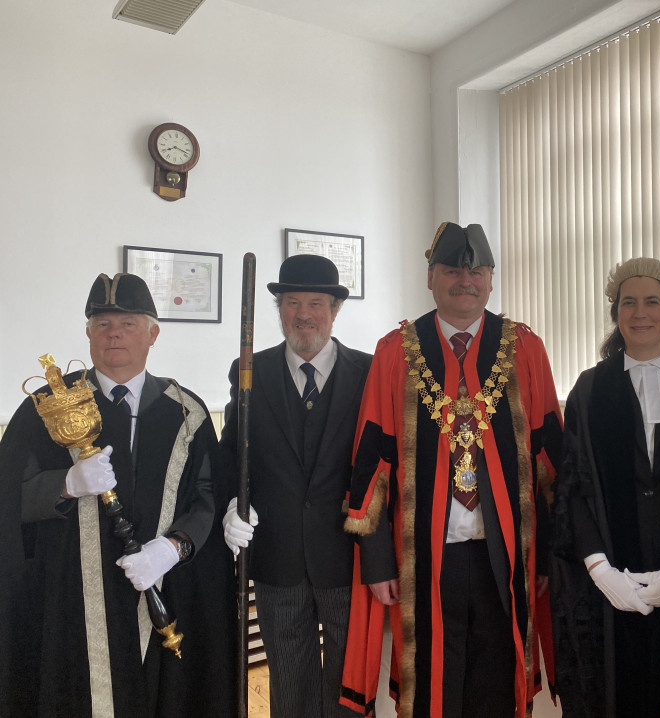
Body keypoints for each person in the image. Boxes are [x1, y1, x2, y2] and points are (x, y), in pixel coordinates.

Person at [340, 222, 563, 718]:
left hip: (506, 554)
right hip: (421, 553)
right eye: (452, 270)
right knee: (433, 679)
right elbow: (372, 459)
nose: (465, 279)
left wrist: (545, 556)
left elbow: (550, 462)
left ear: (490, 279)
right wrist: (377, 562)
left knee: (497, 676)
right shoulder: (396, 350)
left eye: (476, 270)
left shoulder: (524, 348)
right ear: (431, 277)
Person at [0, 272, 236, 717]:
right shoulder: (47, 407)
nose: (114, 334)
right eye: (102, 323)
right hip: (70, 599)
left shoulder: (187, 412)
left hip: (166, 588)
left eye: (128, 323)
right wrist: (65, 485)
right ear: (87, 333)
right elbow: (9, 494)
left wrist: (174, 547)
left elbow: (207, 496)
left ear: (153, 333)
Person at [550, 258, 660, 717]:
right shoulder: (589, 390)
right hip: (612, 585)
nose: (640, 312)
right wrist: (600, 570)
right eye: (627, 302)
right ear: (615, 315)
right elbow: (573, 486)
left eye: (652, 301)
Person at [219, 254, 377, 718]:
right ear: (280, 308)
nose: (303, 314)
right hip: (277, 557)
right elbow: (233, 451)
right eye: (292, 302)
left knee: (350, 685)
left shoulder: (369, 373)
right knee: (289, 681)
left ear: (335, 309)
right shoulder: (251, 370)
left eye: (315, 303)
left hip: (348, 558)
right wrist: (233, 504)